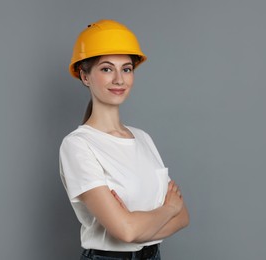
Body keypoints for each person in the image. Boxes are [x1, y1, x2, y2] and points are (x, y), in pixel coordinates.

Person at [59, 20, 189, 260]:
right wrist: (168, 209)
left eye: (126, 69)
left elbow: (183, 218)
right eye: (107, 69)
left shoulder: (143, 138)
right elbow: (126, 232)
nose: (119, 79)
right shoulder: (78, 145)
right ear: (84, 76)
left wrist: (136, 224)